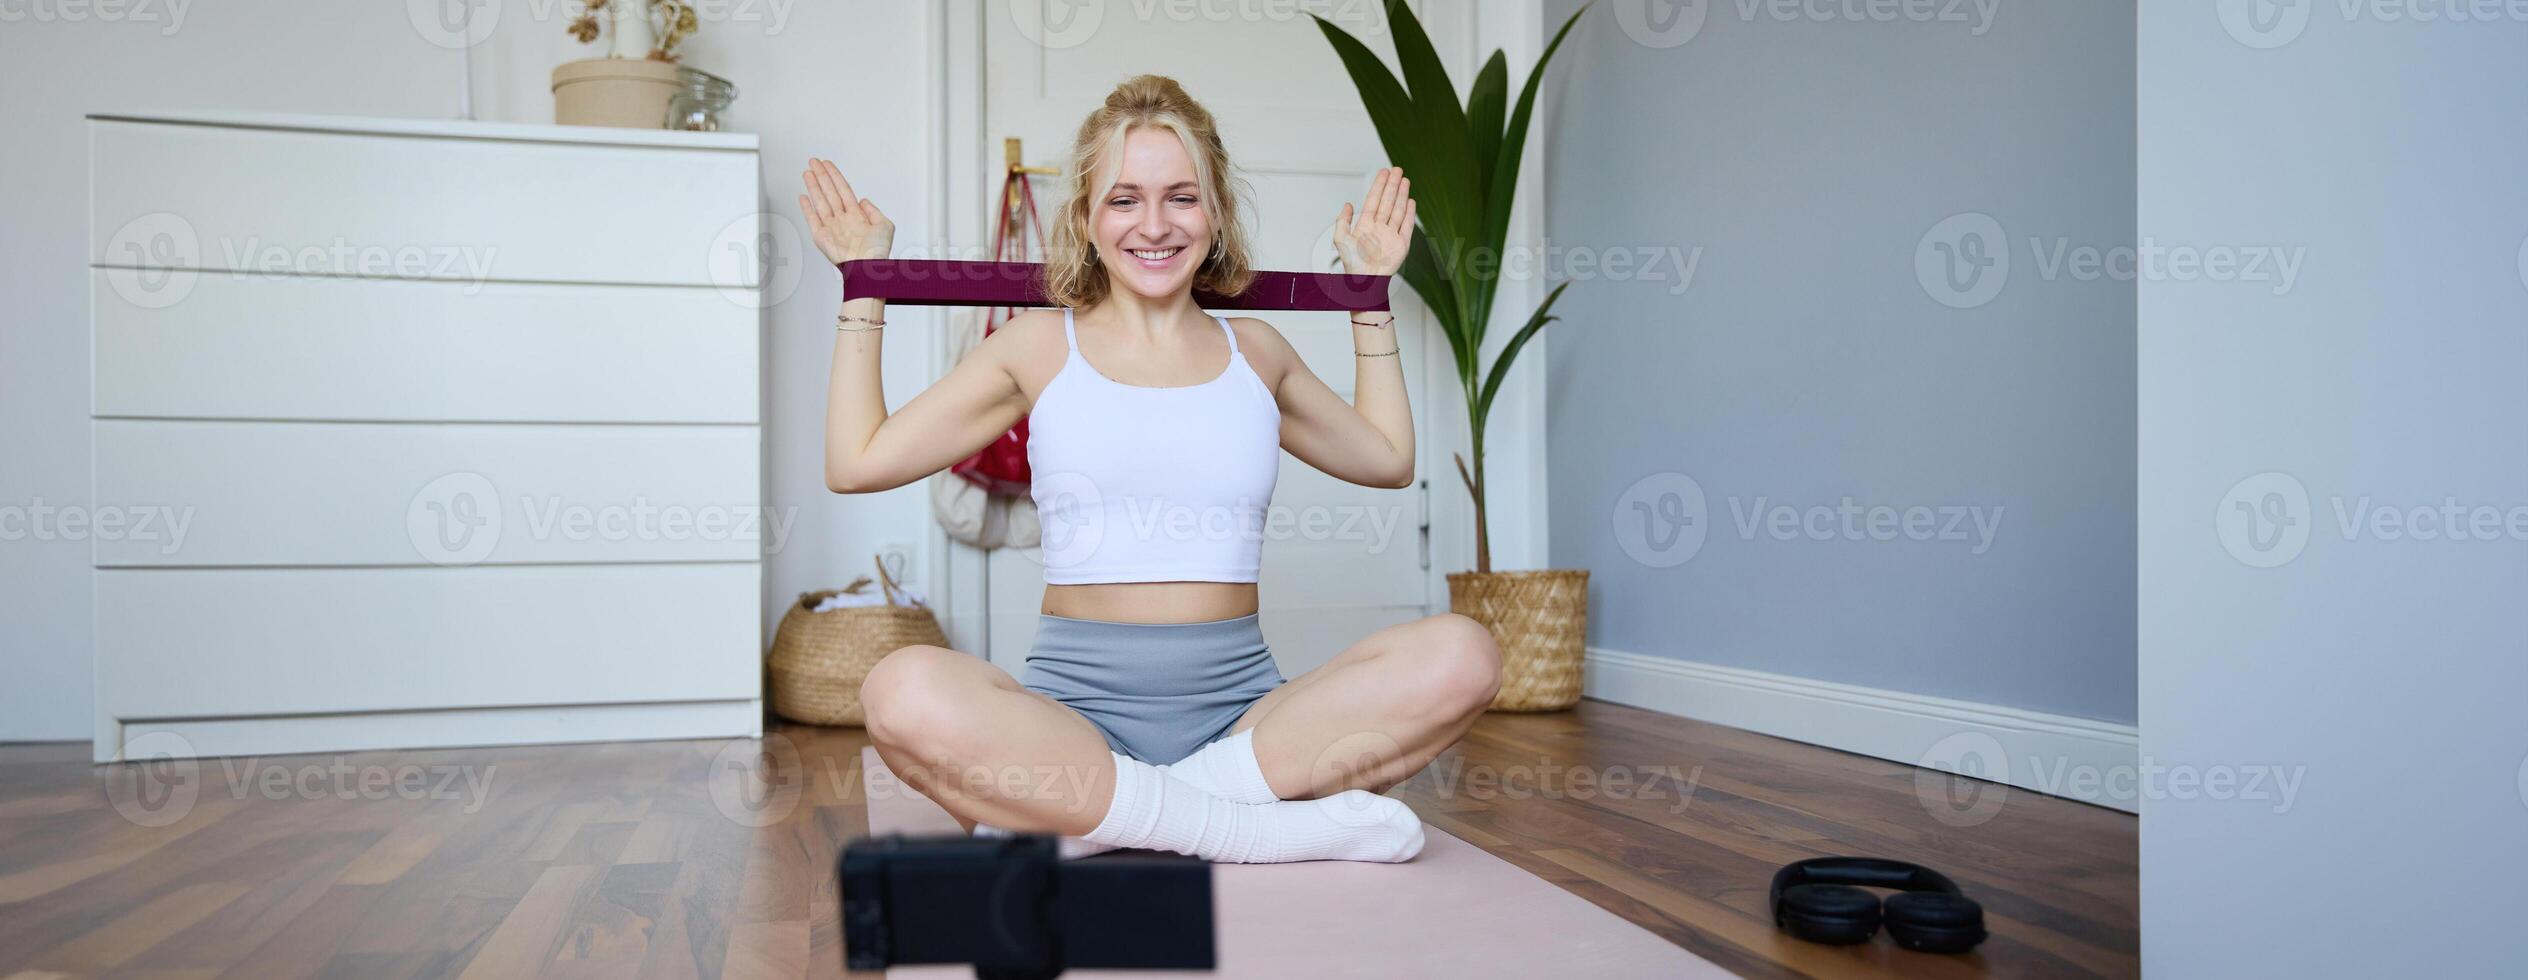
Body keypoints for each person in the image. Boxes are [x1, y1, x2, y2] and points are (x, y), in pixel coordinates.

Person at [804, 74, 1500, 864]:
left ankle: (1107, 821)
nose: (1155, 224)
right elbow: (856, 463)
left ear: (1217, 212)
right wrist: (864, 284)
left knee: (1465, 654)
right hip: (1072, 723)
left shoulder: (1258, 353)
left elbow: (1386, 459)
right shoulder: (1037, 347)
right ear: (1087, 217)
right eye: (1125, 198)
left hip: (1246, 724)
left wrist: (1370, 297)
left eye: (1182, 196)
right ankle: (1241, 829)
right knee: (899, 689)